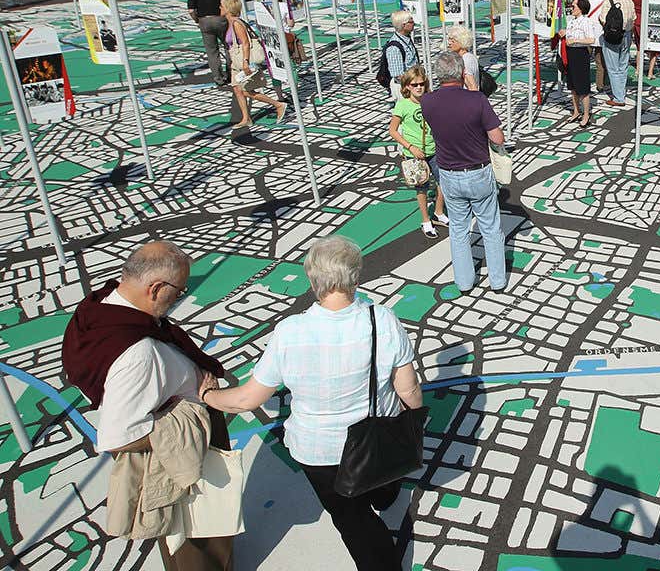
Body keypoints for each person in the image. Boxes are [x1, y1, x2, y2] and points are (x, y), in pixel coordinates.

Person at [200, 236, 421, 571]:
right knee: (382, 480)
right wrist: (414, 420)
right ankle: (384, 494)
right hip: (377, 436)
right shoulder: (382, 320)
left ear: (312, 279)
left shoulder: (290, 331)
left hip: (319, 452)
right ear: (355, 277)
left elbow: (248, 399)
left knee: (353, 521)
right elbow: (408, 388)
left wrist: (206, 395)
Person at [61, 241, 234, 571]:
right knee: (199, 532)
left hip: (178, 426)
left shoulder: (101, 307)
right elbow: (117, 437)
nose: (180, 297)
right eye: (179, 291)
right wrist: (184, 431)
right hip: (184, 453)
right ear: (155, 288)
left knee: (195, 529)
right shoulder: (137, 354)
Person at [420, 51, 508, 293]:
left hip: (448, 172)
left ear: (437, 75)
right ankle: (498, 281)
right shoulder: (477, 100)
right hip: (478, 170)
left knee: (459, 230)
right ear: (461, 72)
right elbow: (497, 137)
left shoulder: (427, 102)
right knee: (490, 228)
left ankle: (464, 282)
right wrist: (473, 90)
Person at [389, 65, 448, 238]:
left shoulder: (431, 100)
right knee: (421, 186)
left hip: (434, 149)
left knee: (443, 182)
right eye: (414, 85)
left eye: (422, 84)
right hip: (414, 152)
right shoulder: (403, 105)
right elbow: (392, 130)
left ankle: (438, 212)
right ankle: (425, 220)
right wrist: (410, 147)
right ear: (407, 86)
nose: (419, 87)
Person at [222, 0, 288, 129]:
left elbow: (246, 43)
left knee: (245, 90)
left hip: (242, 60)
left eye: (221, 6)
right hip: (235, 62)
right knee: (237, 89)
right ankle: (246, 118)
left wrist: (246, 62)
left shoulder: (236, 23)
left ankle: (278, 104)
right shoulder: (231, 22)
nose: (219, 8)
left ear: (228, 9)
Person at [557, 0, 602, 126]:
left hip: (580, 54)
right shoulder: (572, 21)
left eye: (574, 6)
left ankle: (586, 114)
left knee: (582, 87)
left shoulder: (586, 22)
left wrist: (575, 40)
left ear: (581, 8)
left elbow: (591, 39)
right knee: (572, 85)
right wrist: (565, 33)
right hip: (570, 53)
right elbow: (571, 35)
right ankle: (576, 111)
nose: (571, 8)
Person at [595, 0, 636, 106]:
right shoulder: (629, 1)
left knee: (613, 67)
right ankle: (621, 92)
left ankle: (618, 97)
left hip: (612, 37)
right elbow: (633, 18)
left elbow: (602, 19)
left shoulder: (608, 1)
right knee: (623, 66)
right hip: (627, 34)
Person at [186, 0, 231, 84]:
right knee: (228, 46)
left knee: (212, 51)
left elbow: (191, 10)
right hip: (219, 19)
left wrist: (197, 20)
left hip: (204, 21)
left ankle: (218, 77)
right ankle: (231, 72)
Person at [383, 10, 420, 101]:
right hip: (404, 87)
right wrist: (416, 83)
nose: (413, 23)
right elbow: (398, 75)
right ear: (404, 25)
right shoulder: (394, 47)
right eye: (411, 22)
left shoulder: (406, 39)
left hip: (412, 84)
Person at [587, 0, 609, 92]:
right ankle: (600, 85)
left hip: (589, 33)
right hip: (602, 33)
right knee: (601, 63)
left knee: (585, 61)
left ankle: (584, 82)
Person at [445, 25, 479, 91]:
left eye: (453, 41)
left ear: (461, 42)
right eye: (449, 40)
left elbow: (472, 86)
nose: (449, 43)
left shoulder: (465, 60)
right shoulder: (469, 57)